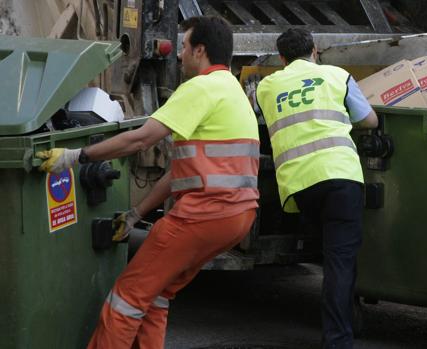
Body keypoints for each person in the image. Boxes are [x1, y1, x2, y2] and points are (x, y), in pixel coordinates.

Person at [36, 16, 259, 348]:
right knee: (157, 293)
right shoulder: (233, 90)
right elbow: (178, 173)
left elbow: (139, 141)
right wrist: (135, 215)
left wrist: (75, 156)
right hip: (237, 218)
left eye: (183, 46)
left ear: (200, 50)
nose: (179, 55)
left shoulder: (200, 87)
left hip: (203, 215)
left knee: (126, 297)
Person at [255, 28, 378, 348]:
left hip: (300, 187)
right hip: (342, 178)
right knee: (339, 260)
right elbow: (370, 121)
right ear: (316, 49)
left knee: (328, 253)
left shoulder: (267, 86)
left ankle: (341, 320)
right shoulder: (338, 76)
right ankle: (338, 339)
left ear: (281, 58)